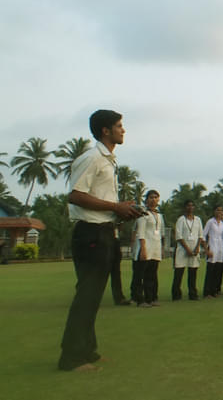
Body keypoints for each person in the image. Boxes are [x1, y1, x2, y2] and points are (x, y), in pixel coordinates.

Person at [58, 109, 143, 372]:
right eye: (119, 125)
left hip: (105, 232)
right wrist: (115, 207)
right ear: (105, 130)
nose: (123, 130)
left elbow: (100, 201)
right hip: (90, 235)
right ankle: (71, 358)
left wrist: (121, 210)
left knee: (93, 298)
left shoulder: (108, 160)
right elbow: (75, 196)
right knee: (86, 296)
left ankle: (87, 351)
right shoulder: (92, 158)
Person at [172, 200, 204, 301]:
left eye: (192, 205)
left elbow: (200, 235)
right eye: (188, 205)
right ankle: (176, 294)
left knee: (193, 272)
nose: (190, 207)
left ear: (194, 207)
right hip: (183, 250)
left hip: (194, 249)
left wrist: (197, 247)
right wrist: (187, 249)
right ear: (185, 207)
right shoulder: (181, 219)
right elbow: (179, 236)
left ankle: (193, 294)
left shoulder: (198, 220)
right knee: (179, 272)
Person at [203, 206, 223, 298]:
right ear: (214, 211)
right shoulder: (210, 222)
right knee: (210, 271)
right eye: (217, 210)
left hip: (220, 248)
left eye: (221, 210)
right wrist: (206, 249)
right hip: (212, 247)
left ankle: (214, 291)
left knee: (218, 271)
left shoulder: (222, 224)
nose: (219, 212)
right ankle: (207, 292)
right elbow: (203, 236)